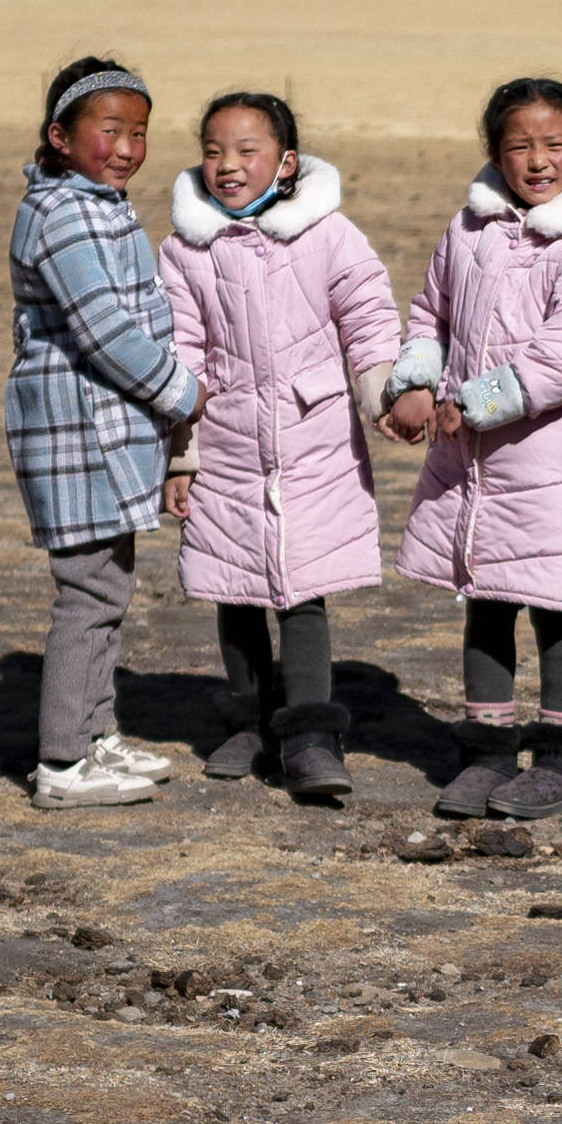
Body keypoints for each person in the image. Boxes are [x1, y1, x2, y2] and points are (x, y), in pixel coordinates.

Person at [382, 74, 562, 818]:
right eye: (519, 145)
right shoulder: (468, 231)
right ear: (494, 151)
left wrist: (472, 403)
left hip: (549, 464)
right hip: (471, 467)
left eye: (553, 145)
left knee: (555, 605)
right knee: (484, 601)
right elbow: (429, 313)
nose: (536, 160)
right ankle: (487, 752)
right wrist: (415, 382)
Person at [156, 89, 402, 803]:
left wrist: (383, 396)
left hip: (315, 439)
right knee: (231, 585)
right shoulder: (185, 251)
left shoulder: (328, 235)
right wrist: (180, 454)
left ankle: (310, 734)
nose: (226, 166)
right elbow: (181, 355)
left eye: (246, 151)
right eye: (211, 151)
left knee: (302, 589)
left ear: (286, 162)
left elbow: (369, 317)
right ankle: (247, 718)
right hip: (226, 440)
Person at [2, 54, 194, 809]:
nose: (126, 147)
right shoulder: (58, 215)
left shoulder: (100, 206)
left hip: (107, 428)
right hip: (71, 426)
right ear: (58, 135)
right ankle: (61, 763)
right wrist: (184, 394)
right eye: (109, 130)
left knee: (109, 585)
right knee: (87, 593)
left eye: (139, 132)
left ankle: (95, 735)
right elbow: (104, 329)